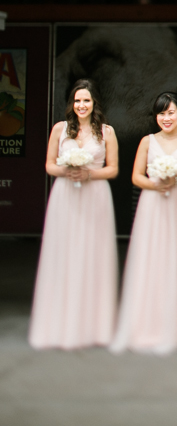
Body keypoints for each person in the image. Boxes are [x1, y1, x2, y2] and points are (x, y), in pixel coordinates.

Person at [111, 92, 177, 354]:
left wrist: (175, 179)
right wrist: (155, 181)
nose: (166, 118)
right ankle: (145, 322)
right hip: (152, 205)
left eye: (171, 112)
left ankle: (176, 325)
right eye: (162, 113)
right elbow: (136, 177)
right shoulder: (147, 141)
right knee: (150, 259)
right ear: (156, 116)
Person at [30, 79, 119, 349]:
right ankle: (59, 323)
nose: (82, 105)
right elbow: (48, 165)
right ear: (72, 103)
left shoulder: (107, 132)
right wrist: (66, 169)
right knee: (64, 253)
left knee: (92, 254)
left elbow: (113, 169)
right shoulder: (60, 129)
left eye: (87, 100)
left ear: (95, 104)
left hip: (95, 197)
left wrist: (89, 172)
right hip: (65, 195)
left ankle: (94, 326)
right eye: (78, 100)